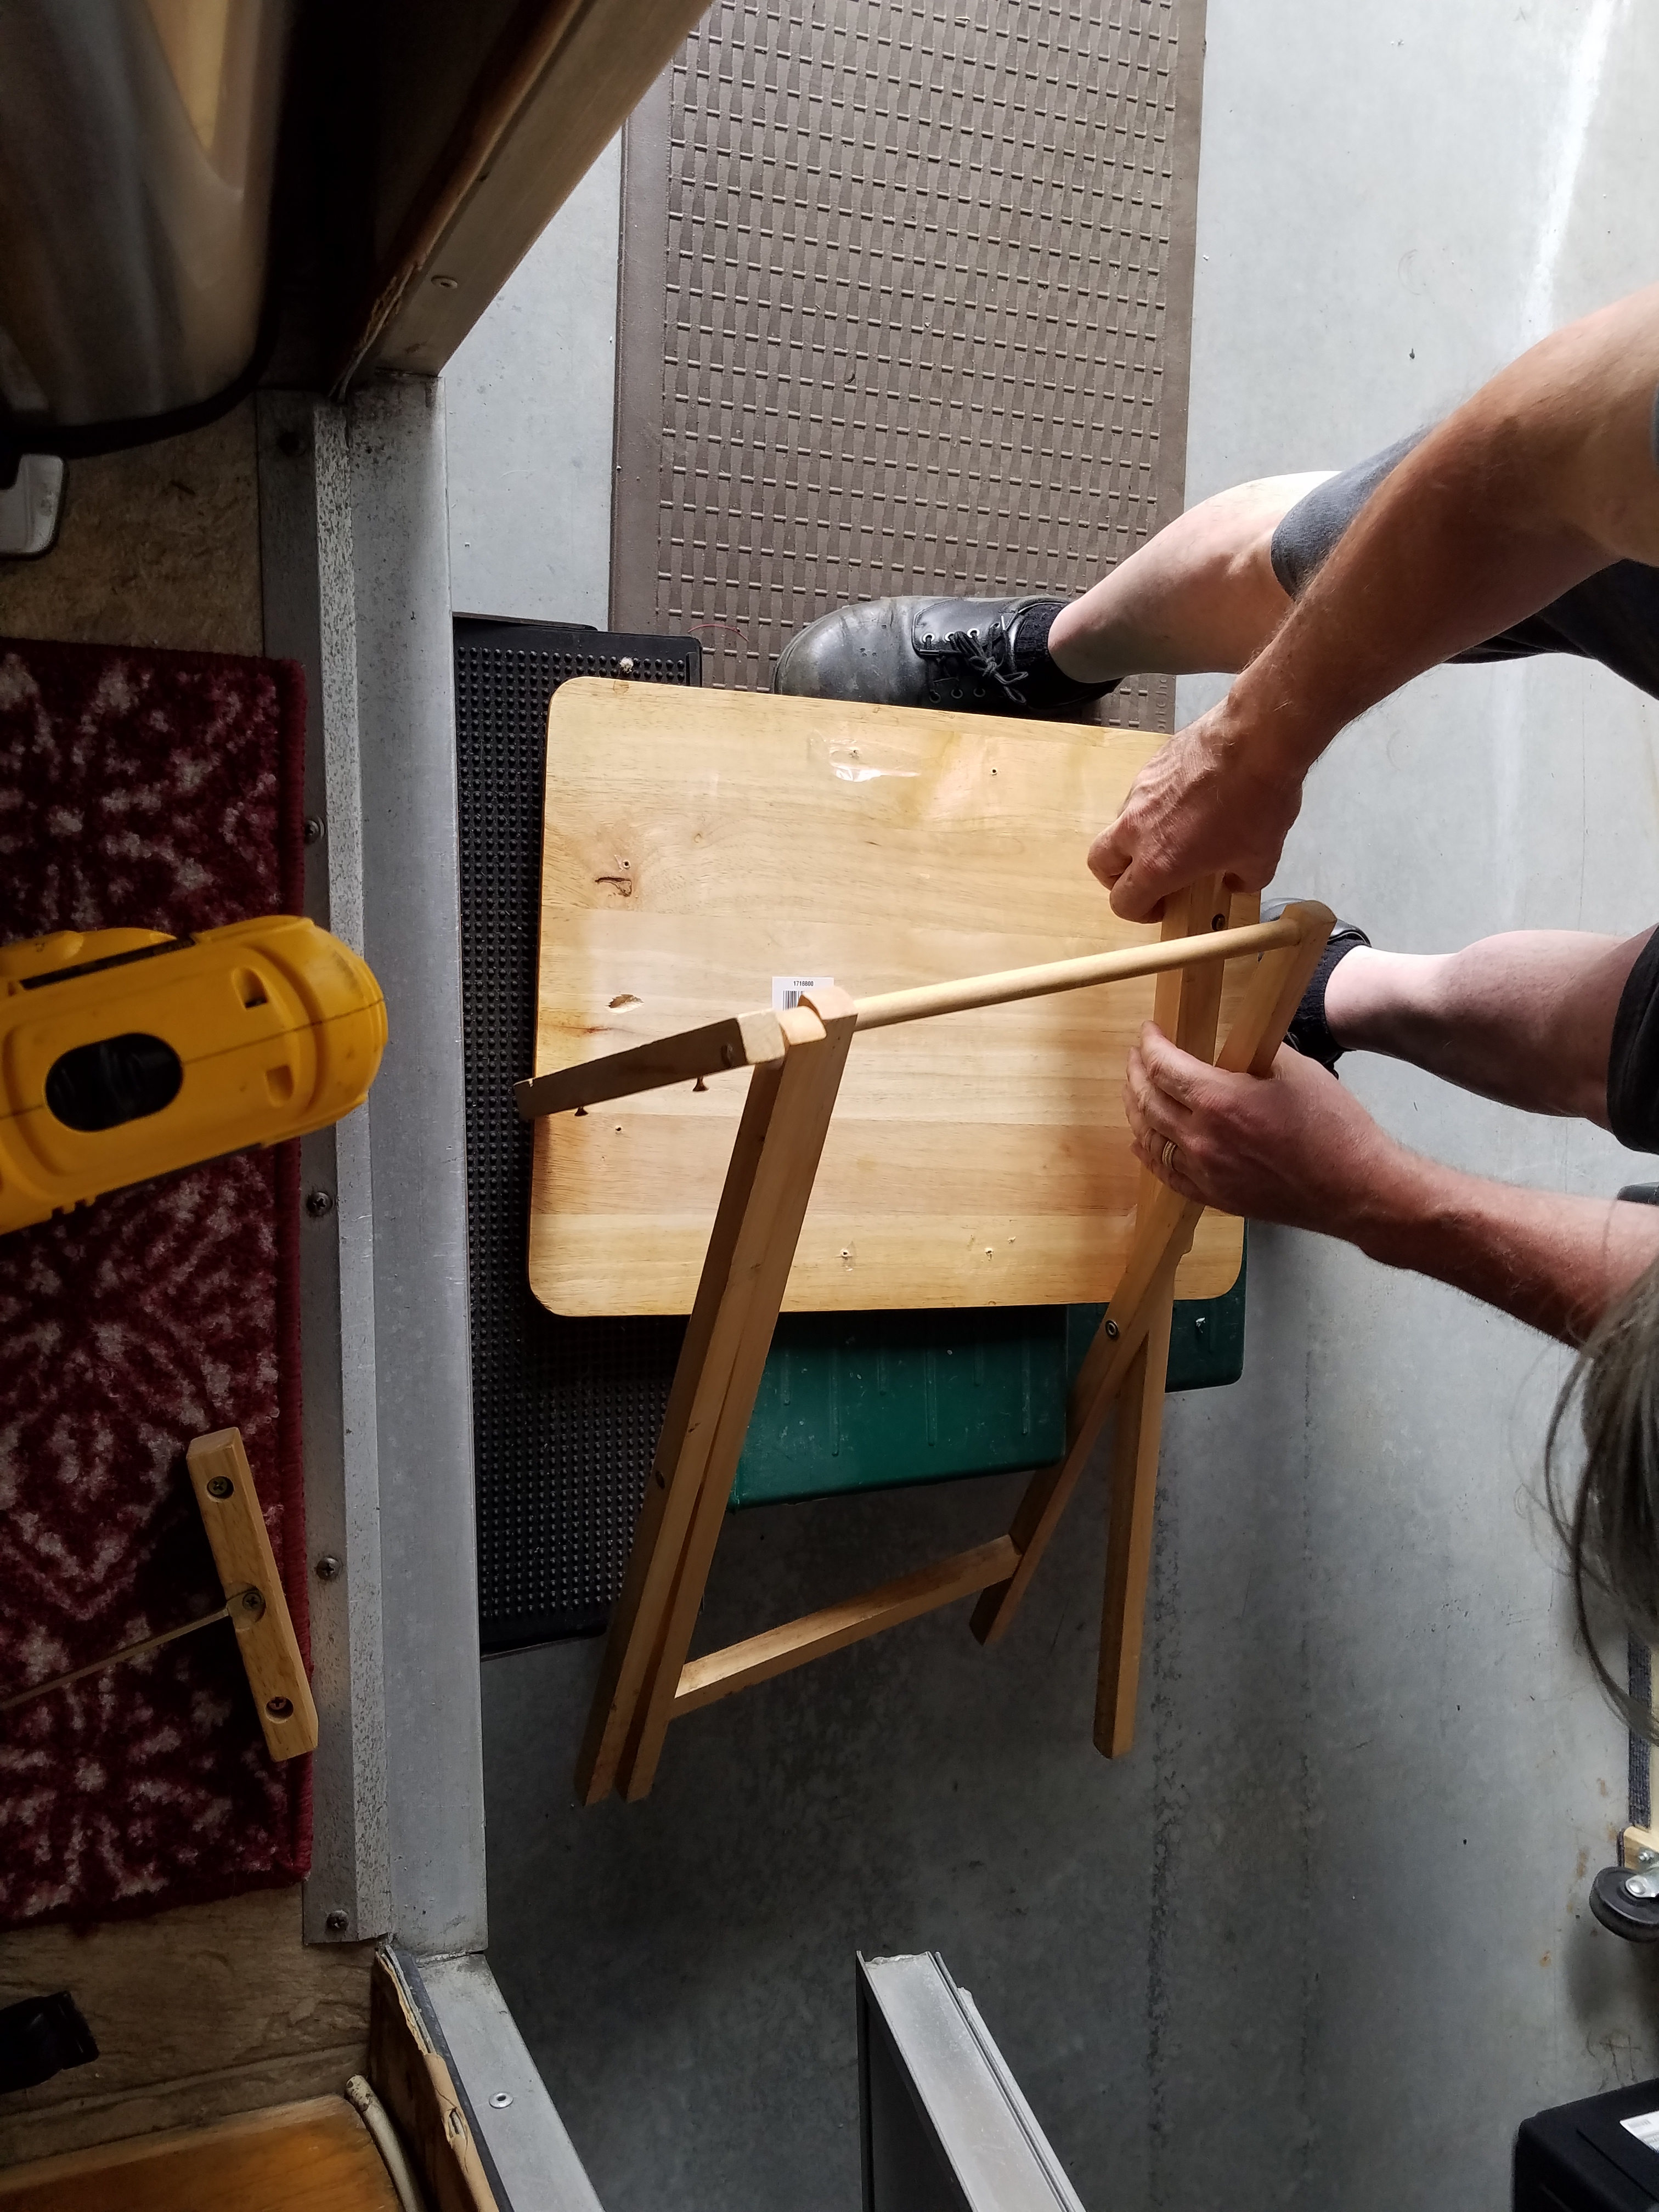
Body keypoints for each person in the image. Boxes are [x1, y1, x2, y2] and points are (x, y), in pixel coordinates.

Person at [773, 283, 1659, 1708]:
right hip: (1598, 451)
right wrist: (1255, 741)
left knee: (1638, 1043)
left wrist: (1383, 1201)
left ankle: (1327, 994)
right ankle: (1052, 653)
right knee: (1330, 557)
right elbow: (1533, 446)